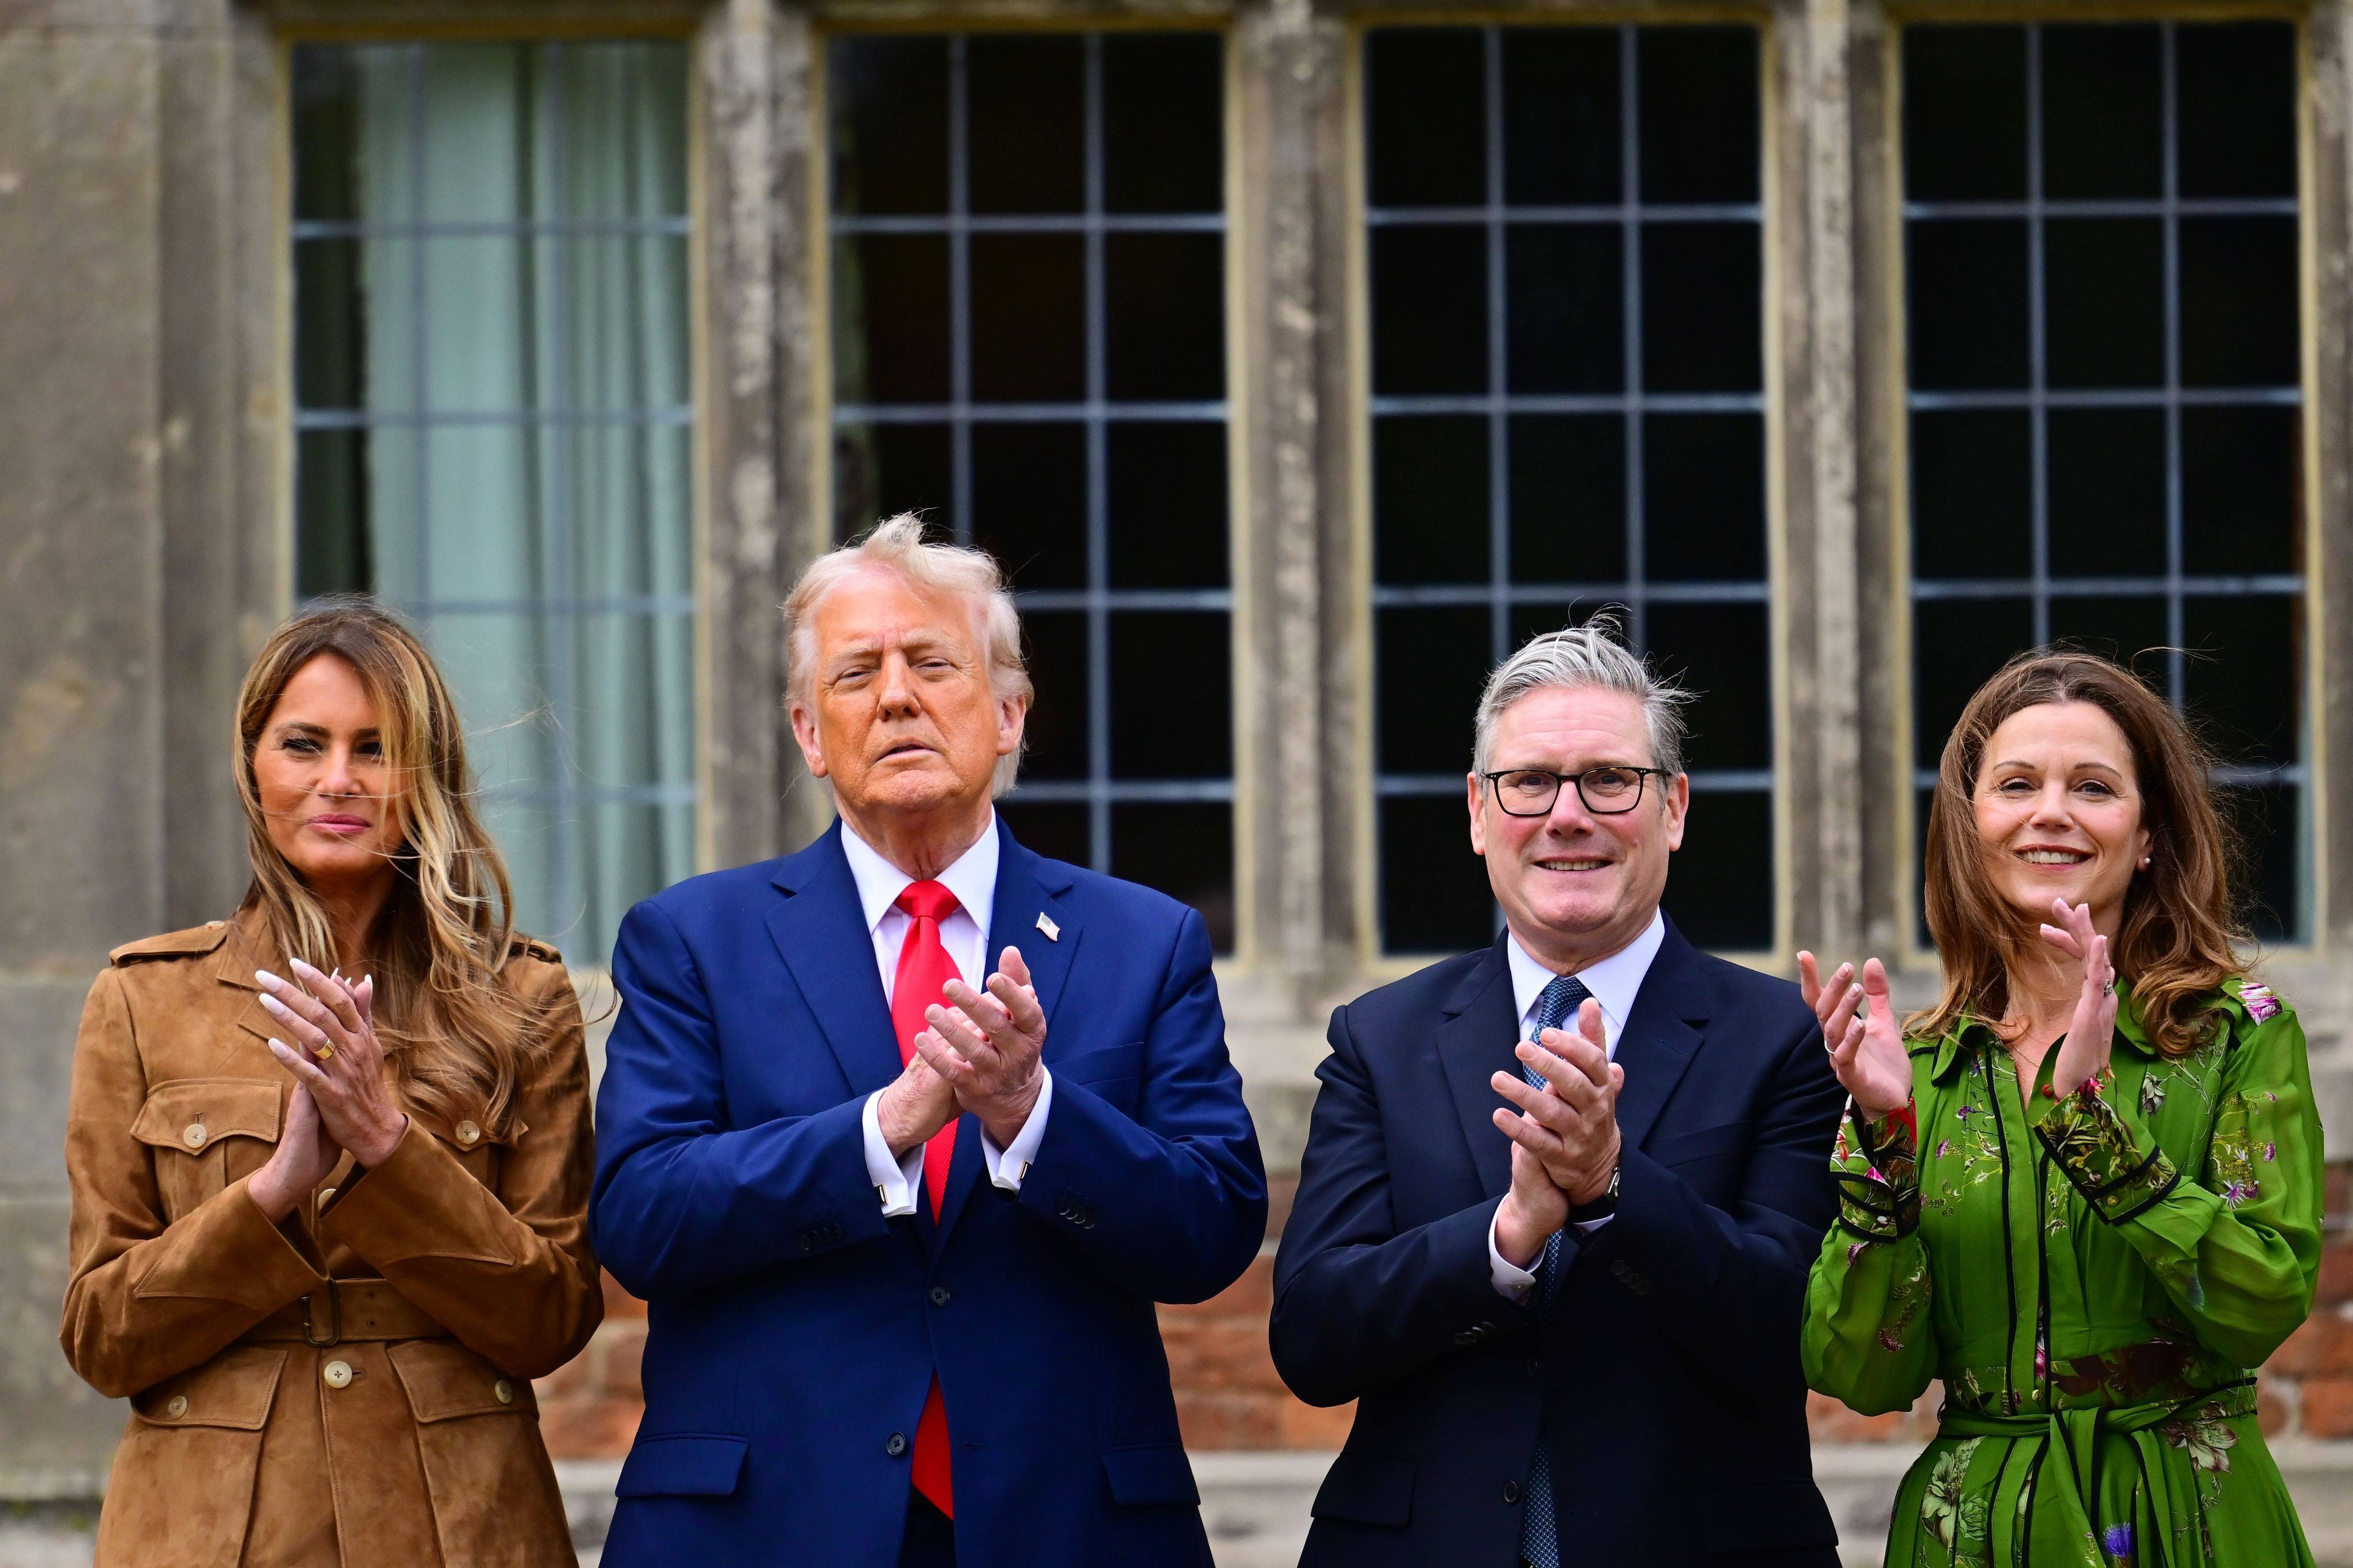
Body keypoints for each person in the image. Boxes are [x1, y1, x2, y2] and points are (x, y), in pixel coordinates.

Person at [590, 515, 1267, 1568]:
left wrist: (1030, 1115)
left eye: (932, 663)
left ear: (1008, 713)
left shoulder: (1143, 940)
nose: (896, 695)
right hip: (766, 1526)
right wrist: (885, 1127)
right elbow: (640, 1216)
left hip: (1063, 1525)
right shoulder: (694, 939)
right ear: (810, 734)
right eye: (856, 673)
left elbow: (1215, 1224)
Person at [1272, 622, 1847, 1567]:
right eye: (1530, 781)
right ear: (1476, 811)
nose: (1567, 814)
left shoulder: (1783, 1038)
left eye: (1609, 780)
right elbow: (1314, 1337)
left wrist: (1614, 1186)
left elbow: (1789, 1333)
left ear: (1674, 809)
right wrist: (1506, 1238)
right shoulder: (1380, 1037)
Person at [59, 602, 602, 1566]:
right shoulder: (143, 999)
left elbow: (551, 1320)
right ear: (253, 765)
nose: (339, 780)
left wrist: (393, 1149)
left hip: (459, 1520)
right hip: (211, 1528)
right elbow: (103, 1336)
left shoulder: (521, 995)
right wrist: (269, 1194)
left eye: (378, 747)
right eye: (304, 744)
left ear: (423, 774)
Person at [1801, 650, 2324, 1568]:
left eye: (2093, 786)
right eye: (2017, 784)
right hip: (1978, 1530)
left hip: (2186, 1517)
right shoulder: (1914, 1065)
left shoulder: (2238, 1035)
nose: (2053, 812)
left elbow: (2262, 1303)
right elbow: (1862, 1373)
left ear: (2149, 830)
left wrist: (2096, 1124)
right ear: (1972, 827)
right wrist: (1884, 1140)